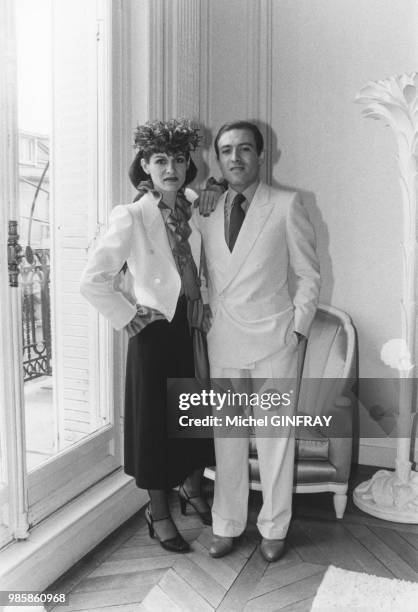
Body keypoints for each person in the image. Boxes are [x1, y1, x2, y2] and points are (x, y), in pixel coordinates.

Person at [80, 119, 215, 554]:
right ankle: (158, 514)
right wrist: (127, 314)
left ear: (188, 164)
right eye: (160, 159)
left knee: (195, 418)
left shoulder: (197, 207)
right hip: (155, 334)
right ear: (145, 165)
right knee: (157, 427)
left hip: (193, 326)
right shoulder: (132, 215)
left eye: (178, 158)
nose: (170, 167)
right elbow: (93, 279)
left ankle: (193, 490)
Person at [194, 121, 320, 561]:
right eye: (226, 150)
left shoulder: (286, 205)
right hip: (223, 337)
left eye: (244, 149)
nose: (235, 158)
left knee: (275, 437)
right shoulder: (204, 208)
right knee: (226, 438)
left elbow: (308, 274)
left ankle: (274, 526)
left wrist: (298, 327)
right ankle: (226, 523)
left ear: (262, 155)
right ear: (217, 158)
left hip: (274, 338)